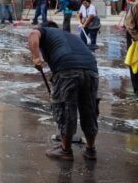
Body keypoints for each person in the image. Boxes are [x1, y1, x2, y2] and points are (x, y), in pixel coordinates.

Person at [28, 21, 99, 161]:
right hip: (91, 69)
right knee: (89, 109)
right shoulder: (68, 36)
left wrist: (36, 57)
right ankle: (91, 150)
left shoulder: (44, 32)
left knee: (66, 107)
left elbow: (32, 34)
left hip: (67, 69)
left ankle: (65, 150)